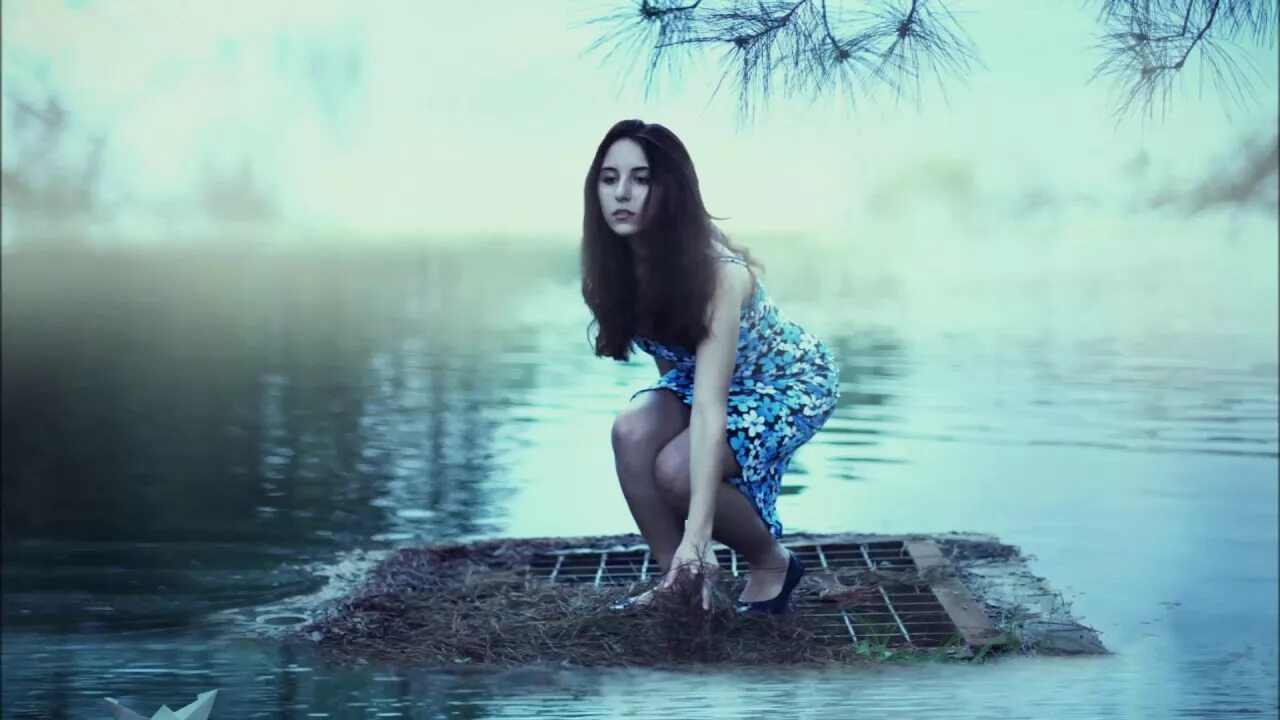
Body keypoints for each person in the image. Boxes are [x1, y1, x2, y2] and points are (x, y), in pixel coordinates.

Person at [580, 119, 841, 614]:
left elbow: (708, 408)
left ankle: (772, 563)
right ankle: (675, 582)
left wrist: (699, 533)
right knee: (632, 434)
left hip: (787, 383)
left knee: (677, 471)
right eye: (609, 178)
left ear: (671, 189)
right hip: (708, 382)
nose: (623, 193)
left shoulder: (719, 276)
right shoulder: (615, 270)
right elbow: (671, 367)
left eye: (642, 178)